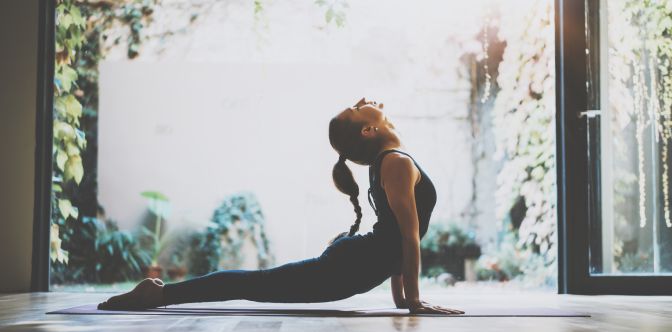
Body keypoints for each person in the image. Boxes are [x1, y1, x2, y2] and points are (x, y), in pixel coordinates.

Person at [97, 97, 464, 315]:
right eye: (358, 107)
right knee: (257, 284)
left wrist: (403, 299)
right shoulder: (396, 162)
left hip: (356, 264)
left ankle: (159, 293)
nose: (367, 102)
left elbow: (397, 238)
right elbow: (407, 237)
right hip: (350, 266)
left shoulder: (389, 161)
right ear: (369, 131)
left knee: (259, 284)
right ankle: (158, 294)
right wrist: (412, 300)